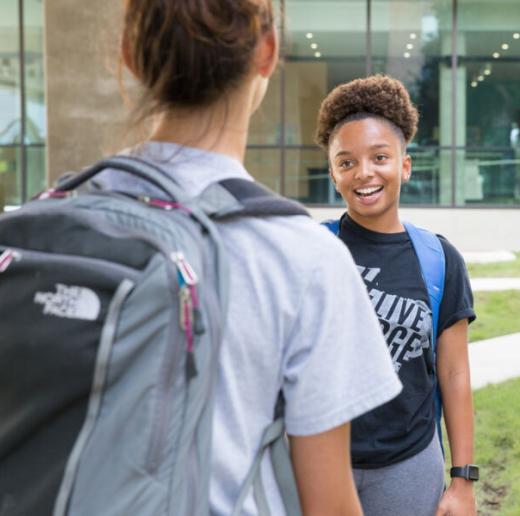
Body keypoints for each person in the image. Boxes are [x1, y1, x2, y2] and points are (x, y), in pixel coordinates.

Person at [115, 2, 402, 514]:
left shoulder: (34, 228)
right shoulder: (300, 256)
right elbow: (329, 504)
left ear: (129, 56)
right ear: (266, 54)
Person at [315, 75, 478, 516]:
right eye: (346, 163)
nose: (364, 172)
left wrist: (463, 480)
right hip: (321, 461)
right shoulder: (311, 251)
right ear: (333, 174)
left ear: (404, 166)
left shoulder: (439, 259)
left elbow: (454, 372)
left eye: (380, 157)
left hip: (408, 463)